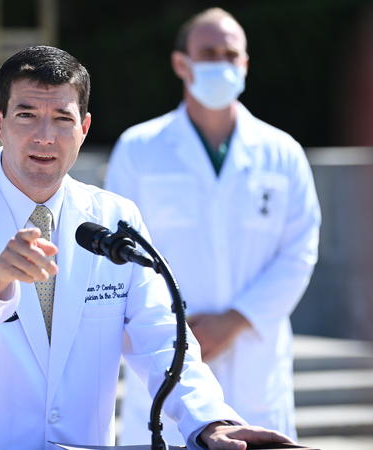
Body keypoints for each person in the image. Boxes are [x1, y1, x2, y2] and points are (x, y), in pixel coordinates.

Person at [0, 45, 294, 450]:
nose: (45, 136)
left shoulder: (114, 217)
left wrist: (209, 420)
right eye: (26, 115)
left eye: (62, 119)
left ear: (83, 128)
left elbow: (161, 337)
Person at [106, 7, 321, 445]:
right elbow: (121, 250)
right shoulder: (140, 149)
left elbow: (300, 250)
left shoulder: (283, 152)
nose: (221, 63)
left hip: (254, 353)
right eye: (209, 52)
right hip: (169, 349)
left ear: (245, 64)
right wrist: (176, 327)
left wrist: (237, 319)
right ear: (181, 63)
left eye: (231, 54)